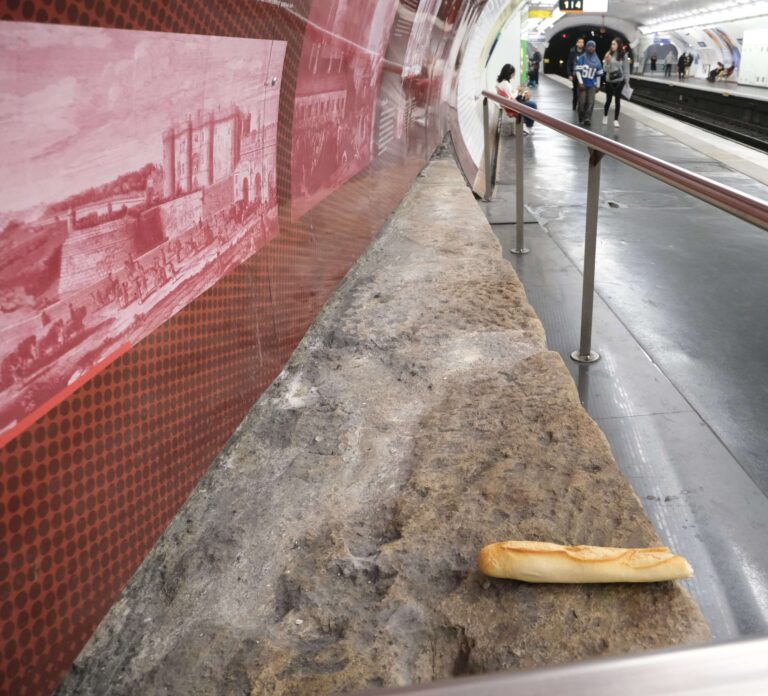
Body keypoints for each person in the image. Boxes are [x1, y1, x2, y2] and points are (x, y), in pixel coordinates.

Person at [496, 63, 538, 135]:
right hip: (513, 105)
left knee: (528, 99)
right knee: (533, 105)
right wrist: (517, 90)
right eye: (513, 73)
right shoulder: (505, 84)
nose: (514, 75)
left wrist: (517, 91)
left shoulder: (502, 83)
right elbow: (511, 97)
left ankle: (527, 125)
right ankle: (529, 127)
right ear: (509, 73)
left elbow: (509, 95)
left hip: (511, 104)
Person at [602, 38, 629, 128]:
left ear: (618, 45)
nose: (612, 46)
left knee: (617, 100)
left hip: (619, 81)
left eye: (614, 44)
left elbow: (626, 68)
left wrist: (627, 81)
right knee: (608, 100)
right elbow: (605, 69)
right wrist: (608, 62)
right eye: (611, 44)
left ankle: (616, 120)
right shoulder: (608, 54)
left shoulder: (623, 55)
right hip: (609, 80)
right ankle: (605, 116)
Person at [576, 40, 603, 127]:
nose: (591, 48)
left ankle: (587, 118)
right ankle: (581, 115)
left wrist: (598, 85)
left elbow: (599, 74)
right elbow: (578, 71)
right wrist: (580, 82)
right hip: (583, 84)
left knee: (590, 102)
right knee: (582, 102)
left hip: (592, 84)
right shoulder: (582, 58)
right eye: (589, 46)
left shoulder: (597, 61)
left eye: (593, 46)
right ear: (586, 47)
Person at [566, 37, 585, 110]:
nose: (581, 44)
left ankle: (581, 105)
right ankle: (574, 105)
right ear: (577, 43)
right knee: (575, 91)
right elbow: (568, 64)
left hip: (583, 75)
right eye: (580, 42)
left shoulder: (585, 52)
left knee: (582, 91)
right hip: (575, 75)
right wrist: (569, 74)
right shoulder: (573, 52)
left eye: (582, 42)